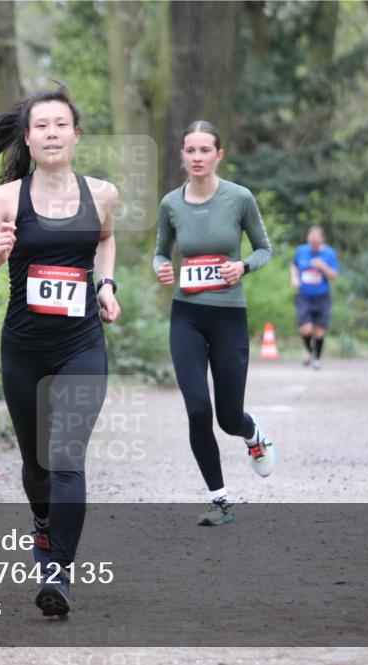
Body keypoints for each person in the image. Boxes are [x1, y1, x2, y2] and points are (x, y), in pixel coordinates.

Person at [0, 85, 121, 616]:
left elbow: (103, 240)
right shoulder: (6, 200)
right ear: (27, 139)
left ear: (76, 135)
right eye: (41, 126)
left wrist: (106, 285)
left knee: (66, 458)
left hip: (81, 346)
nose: (52, 133)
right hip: (24, 348)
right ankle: (44, 526)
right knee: (36, 464)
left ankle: (57, 573)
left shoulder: (102, 194)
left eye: (61, 125)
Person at [153, 120, 276, 527]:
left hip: (228, 316)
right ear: (182, 156)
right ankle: (219, 499)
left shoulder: (239, 198)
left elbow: (264, 248)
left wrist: (242, 266)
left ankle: (252, 433)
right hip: (186, 316)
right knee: (197, 410)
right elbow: (160, 253)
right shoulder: (171, 203)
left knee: (227, 417)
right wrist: (162, 269)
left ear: (219, 155)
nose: (198, 157)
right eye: (190, 150)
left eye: (205, 150)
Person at [290, 226, 339, 369]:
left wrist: (323, 266)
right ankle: (309, 351)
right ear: (308, 239)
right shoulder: (301, 250)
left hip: (322, 297)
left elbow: (334, 276)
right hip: (304, 296)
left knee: (318, 330)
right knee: (306, 328)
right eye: (311, 242)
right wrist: (294, 278)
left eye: (316, 242)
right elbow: (294, 266)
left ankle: (317, 358)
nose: (313, 245)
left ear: (322, 240)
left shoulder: (329, 254)